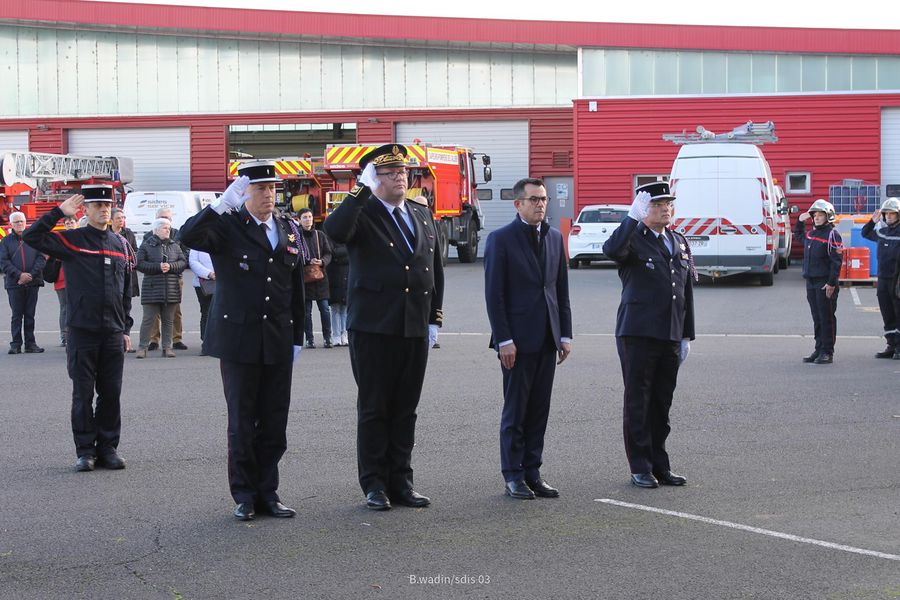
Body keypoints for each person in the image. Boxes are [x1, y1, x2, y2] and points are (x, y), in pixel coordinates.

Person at [179, 160, 305, 521]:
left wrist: (298, 335)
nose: (268, 194)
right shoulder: (228, 227)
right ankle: (245, 494)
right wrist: (221, 204)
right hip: (239, 338)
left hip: (278, 337)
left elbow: (293, 286)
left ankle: (269, 491)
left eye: (272, 188)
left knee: (274, 420)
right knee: (242, 419)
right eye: (260, 188)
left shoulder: (288, 228)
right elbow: (187, 237)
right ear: (245, 192)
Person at [324, 144, 444, 511]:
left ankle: (401, 480)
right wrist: (359, 191)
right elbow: (335, 230)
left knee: (406, 408)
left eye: (403, 172)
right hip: (375, 327)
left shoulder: (421, 214)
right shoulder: (363, 212)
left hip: (412, 325)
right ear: (373, 178)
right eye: (390, 173)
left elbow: (433, 269)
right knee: (376, 407)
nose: (400, 177)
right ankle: (374, 483)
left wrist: (433, 318)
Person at [22, 184, 134, 471]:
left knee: (111, 393)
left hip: (112, 332)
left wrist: (125, 329)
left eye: (107, 205)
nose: (104, 210)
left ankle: (108, 448)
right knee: (83, 394)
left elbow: (125, 291)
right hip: (82, 331)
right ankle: (86, 451)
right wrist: (58, 212)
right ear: (86, 210)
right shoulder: (73, 240)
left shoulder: (120, 244)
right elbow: (33, 236)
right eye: (98, 205)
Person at [484, 178, 572, 500]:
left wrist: (565, 334)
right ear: (518, 204)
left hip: (547, 338)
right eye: (534, 199)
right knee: (516, 411)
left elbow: (560, 291)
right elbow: (495, 296)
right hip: (516, 343)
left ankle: (533, 471)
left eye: (544, 199)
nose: (540, 205)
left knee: (539, 410)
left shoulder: (553, 238)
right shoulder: (501, 240)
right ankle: (513, 474)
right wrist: (504, 339)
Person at [602, 181, 695, 489]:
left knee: (661, 404)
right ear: (643, 209)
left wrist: (686, 335)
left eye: (668, 204)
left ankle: (660, 463)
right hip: (638, 333)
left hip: (669, 334)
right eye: (657, 205)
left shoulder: (678, 240)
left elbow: (686, 292)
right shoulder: (633, 239)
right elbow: (612, 250)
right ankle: (640, 466)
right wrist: (630, 218)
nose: (665, 209)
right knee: (638, 402)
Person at [795, 199, 843, 365]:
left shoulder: (832, 235)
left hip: (825, 283)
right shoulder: (811, 234)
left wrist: (831, 283)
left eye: (820, 215)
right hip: (811, 281)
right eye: (814, 215)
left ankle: (827, 352)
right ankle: (819, 348)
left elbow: (836, 261)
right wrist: (800, 221)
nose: (816, 218)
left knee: (826, 318)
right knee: (817, 318)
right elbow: (799, 236)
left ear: (828, 216)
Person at [135, 218, 186, 358]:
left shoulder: (175, 245)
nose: (167, 230)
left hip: (171, 289)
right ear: (156, 230)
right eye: (164, 228)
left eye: (169, 228)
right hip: (152, 288)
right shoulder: (146, 245)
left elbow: (183, 262)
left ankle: (167, 347)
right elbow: (139, 264)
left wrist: (171, 267)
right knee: (148, 320)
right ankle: (142, 347)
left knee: (168, 320)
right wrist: (158, 267)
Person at [0, 211, 46, 354]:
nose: (19, 224)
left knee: (30, 314)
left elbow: (41, 258)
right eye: (16, 222)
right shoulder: (5, 241)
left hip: (33, 281)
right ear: (11, 224)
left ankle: (30, 344)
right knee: (16, 314)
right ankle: (16, 344)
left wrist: (30, 275)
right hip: (14, 283)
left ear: (26, 223)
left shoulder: (34, 239)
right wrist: (19, 275)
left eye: (21, 221)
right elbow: (3, 261)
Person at [861, 198, 900, 359]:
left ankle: (899, 347)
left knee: (899, 313)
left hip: (897, 279)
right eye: (886, 214)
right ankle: (891, 344)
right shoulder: (882, 232)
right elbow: (865, 233)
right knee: (887, 312)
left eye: (892, 213)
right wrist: (872, 221)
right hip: (883, 279)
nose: (889, 216)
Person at [148, 207, 187, 351]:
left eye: (168, 218)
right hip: (155, 278)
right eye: (162, 217)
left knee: (175, 309)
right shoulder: (148, 236)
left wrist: (171, 266)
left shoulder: (177, 234)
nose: (166, 220)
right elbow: (143, 258)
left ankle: (177, 339)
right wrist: (157, 266)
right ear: (156, 218)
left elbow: (184, 257)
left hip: (174, 278)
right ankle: (154, 339)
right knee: (154, 310)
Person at [298, 207, 333, 348]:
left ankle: (327, 338)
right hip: (305, 278)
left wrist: (322, 261)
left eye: (310, 217)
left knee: (324, 309)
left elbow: (328, 253)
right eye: (305, 217)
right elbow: (293, 254)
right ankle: (309, 339)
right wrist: (306, 261)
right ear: (299, 220)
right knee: (306, 312)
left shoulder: (320, 235)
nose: (308, 220)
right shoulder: (296, 237)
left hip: (320, 278)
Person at [111, 208, 140, 352]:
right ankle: (115, 341)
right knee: (113, 310)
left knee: (126, 309)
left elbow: (134, 251)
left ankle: (126, 338)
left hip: (127, 275)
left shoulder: (128, 234)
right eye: (118, 218)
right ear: (111, 220)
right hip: (113, 278)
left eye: (122, 217)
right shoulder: (107, 235)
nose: (121, 220)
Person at [51, 216, 79, 346]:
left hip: (78, 278)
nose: (70, 225)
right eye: (67, 223)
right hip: (62, 279)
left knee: (79, 306)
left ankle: (77, 333)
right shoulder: (60, 239)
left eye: (72, 222)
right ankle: (64, 336)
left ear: (77, 223)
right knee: (65, 308)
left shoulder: (81, 238)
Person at [188, 248, 215, 352]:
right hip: (203, 283)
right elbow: (193, 261)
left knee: (222, 313)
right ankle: (206, 342)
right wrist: (209, 273)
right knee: (206, 312)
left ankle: (220, 341)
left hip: (223, 281)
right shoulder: (198, 242)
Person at [327, 238, 350, 347]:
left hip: (346, 275)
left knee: (345, 309)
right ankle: (336, 335)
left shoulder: (347, 237)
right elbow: (331, 252)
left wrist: (339, 253)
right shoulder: (329, 236)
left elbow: (348, 251)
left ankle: (344, 334)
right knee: (335, 308)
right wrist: (344, 252)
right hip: (333, 276)